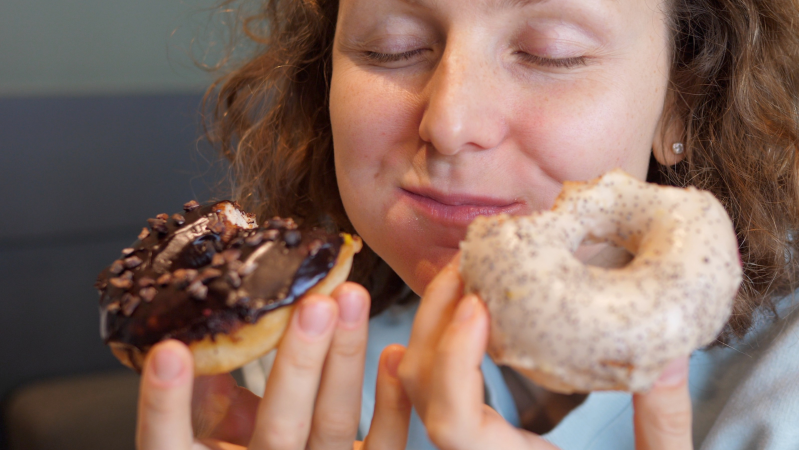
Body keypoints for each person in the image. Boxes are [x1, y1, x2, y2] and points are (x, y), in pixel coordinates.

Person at [134, 0, 799, 449]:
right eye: (391, 48)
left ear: (683, 100)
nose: (449, 124)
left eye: (549, 52)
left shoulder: (782, 386)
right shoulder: (308, 346)